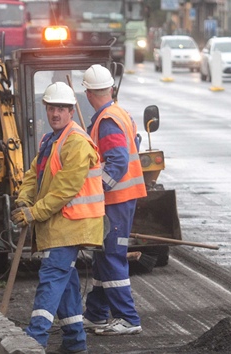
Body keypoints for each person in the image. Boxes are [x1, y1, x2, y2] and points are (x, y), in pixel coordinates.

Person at [11, 82, 105, 354]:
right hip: (58, 223)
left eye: (62, 109)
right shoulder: (49, 140)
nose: (56, 113)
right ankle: (75, 342)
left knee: (51, 277)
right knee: (66, 284)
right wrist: (24, 199)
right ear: (46, 110)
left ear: (71, 112)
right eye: (52, 108)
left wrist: (33, 213)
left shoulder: (76, 143)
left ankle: (35, 339)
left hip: (72, 223)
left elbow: (64, 189)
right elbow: (33, 174)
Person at [81, 64, 147, 336]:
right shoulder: (120, 113)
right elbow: (136, 143)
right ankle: (96, 314)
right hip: (122, 198)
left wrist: (98, 191)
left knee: (111, 256)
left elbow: (118, 161)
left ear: (87, 94)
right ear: (110, 88)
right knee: (101, 256)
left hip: (116, 200)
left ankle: (128, 318)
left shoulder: (106, 120)